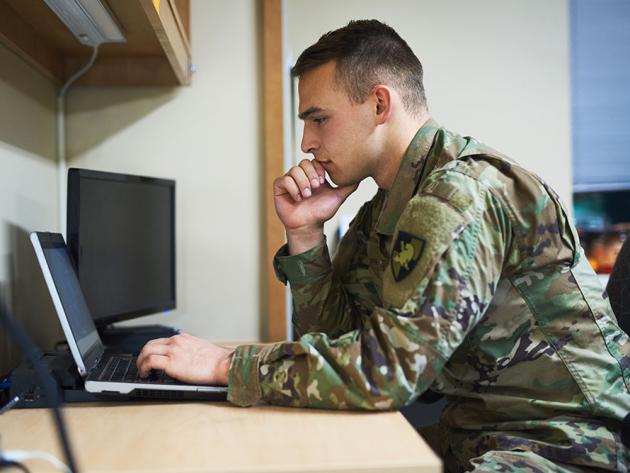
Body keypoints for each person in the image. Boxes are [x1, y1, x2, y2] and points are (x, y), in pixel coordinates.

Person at [137, 20, 630, 472]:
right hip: (478, 434)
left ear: (378, 104)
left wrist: (227, 364)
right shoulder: (391, 204)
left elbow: (388, 373)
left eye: (318, 119)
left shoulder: (457, 197)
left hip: (567, 443)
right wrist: (306, 235)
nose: (306, 142)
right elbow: (335, 340)